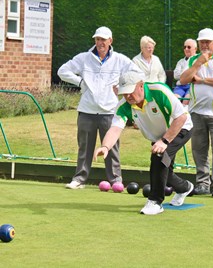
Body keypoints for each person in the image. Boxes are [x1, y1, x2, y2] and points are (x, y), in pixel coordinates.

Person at [93, 70, 194, 215]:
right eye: (124, 93)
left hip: (180, 128)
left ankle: (155, 201)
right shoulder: (124, 106)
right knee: (165, 170)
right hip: (158, 137)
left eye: (130, 91)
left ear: (141, 85)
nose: (128, 96)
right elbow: (115, 128)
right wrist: (105, 146)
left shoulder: (159, 91)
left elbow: (181, 117)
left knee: (158, 157)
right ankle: (184, 187)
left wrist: (165, 141)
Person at [57, 26, 140, 189]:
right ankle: (79, 179)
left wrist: (122, 85)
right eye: (97, 39)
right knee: (85, 147)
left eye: (103, 39)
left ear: (110, 41)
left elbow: (137, 74)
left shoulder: (120, 59)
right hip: (87, 110)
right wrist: (80, 82)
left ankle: (116, 180)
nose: (100, 42)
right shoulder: (83, 58)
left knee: (112, 148)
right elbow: (62, 71)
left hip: (109, 111)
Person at [180, 28, 213, 198]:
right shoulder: (193, 60)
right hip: (196, 111)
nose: (204, 45)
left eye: (208, 42)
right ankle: (202, 183)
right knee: (199, 149)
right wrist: (198, 64)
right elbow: (183, 80)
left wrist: (202, 80)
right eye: (202, 42)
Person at [173, 39, 197, 106]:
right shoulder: (180, 61)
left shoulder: (197, 60)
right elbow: (176, 75)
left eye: (189, 47)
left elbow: (195, 75)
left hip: (192, 86)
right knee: (175, 100)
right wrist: (188, 74)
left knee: (186, 101)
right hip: (180, 86)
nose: (186, 49)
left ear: (195, 49)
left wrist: (184, 74)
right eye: (185, 47)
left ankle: (185, 115)